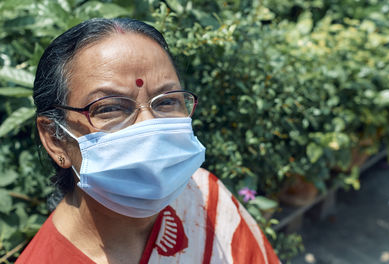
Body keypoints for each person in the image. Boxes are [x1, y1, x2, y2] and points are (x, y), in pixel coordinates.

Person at [16, 18, 280, 264]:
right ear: (55, 139)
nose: (149, 126)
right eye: (109, 108)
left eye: (166, 101)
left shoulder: (205, 198)